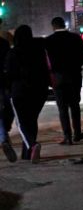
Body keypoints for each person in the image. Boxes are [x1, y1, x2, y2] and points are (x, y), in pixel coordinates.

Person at [3, 25, 51, 163]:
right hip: (39, 91)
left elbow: (9, 74)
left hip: (20, 91)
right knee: (31, 120)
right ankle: (27, 153)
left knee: (21, 123)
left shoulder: (13, 53)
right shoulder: (39, 51)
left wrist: (8, 88)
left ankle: (32, 145)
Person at [45, 16, 83, 145]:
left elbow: (45, 61)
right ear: (64, 24)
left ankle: (67, 136)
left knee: (62, 108)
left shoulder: (49, 40)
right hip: (74, 76)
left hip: (58, 78)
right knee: (75, 106)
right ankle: (77, 133)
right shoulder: (75, 38)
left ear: (53, 26)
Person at [0, 19, 15, 162]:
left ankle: (4, 138)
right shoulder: (4, 43)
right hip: (4, 82)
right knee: (8, 110)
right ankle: (4, 137)